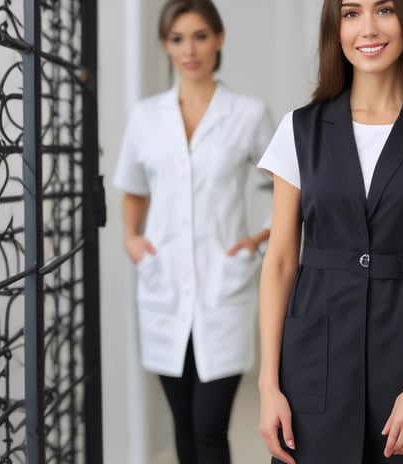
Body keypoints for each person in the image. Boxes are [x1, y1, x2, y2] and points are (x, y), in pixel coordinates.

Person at [256, 0, 403, 463]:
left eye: (384, 9)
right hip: (317, 356)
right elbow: (282, 260)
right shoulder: (300, 130)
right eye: (351, 13)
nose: (368, 28)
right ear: (335, 28)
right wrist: (269, 385)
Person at [113, 1, 273, 462]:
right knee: (182, 423)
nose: (190, 49)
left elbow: (287, 188)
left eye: (200, 36)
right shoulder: (147, 116)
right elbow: (134, 188)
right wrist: (131, 238)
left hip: (222, 286)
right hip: (164, 284)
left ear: (219, 39)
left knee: (209, 426)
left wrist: (257, 239)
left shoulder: (248, 113)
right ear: (165, 45)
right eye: (178, 38)